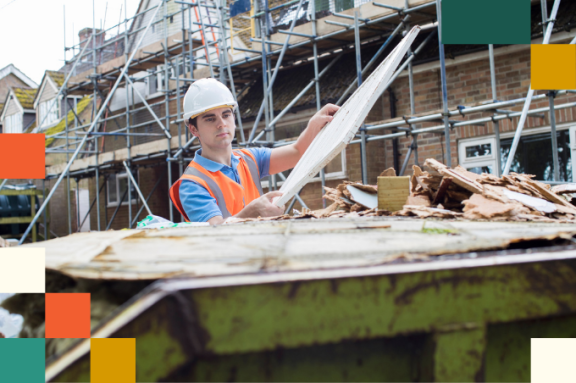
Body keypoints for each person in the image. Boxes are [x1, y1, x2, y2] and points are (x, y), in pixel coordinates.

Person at [170, 78, 339, 225]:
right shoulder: (192, 184)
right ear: (194, 130)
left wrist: (314, 126)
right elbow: (215, 233)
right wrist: (251, 212)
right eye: (210, 119)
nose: (221, 123)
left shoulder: (250, 158)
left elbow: (297, 152)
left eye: (226, 115)